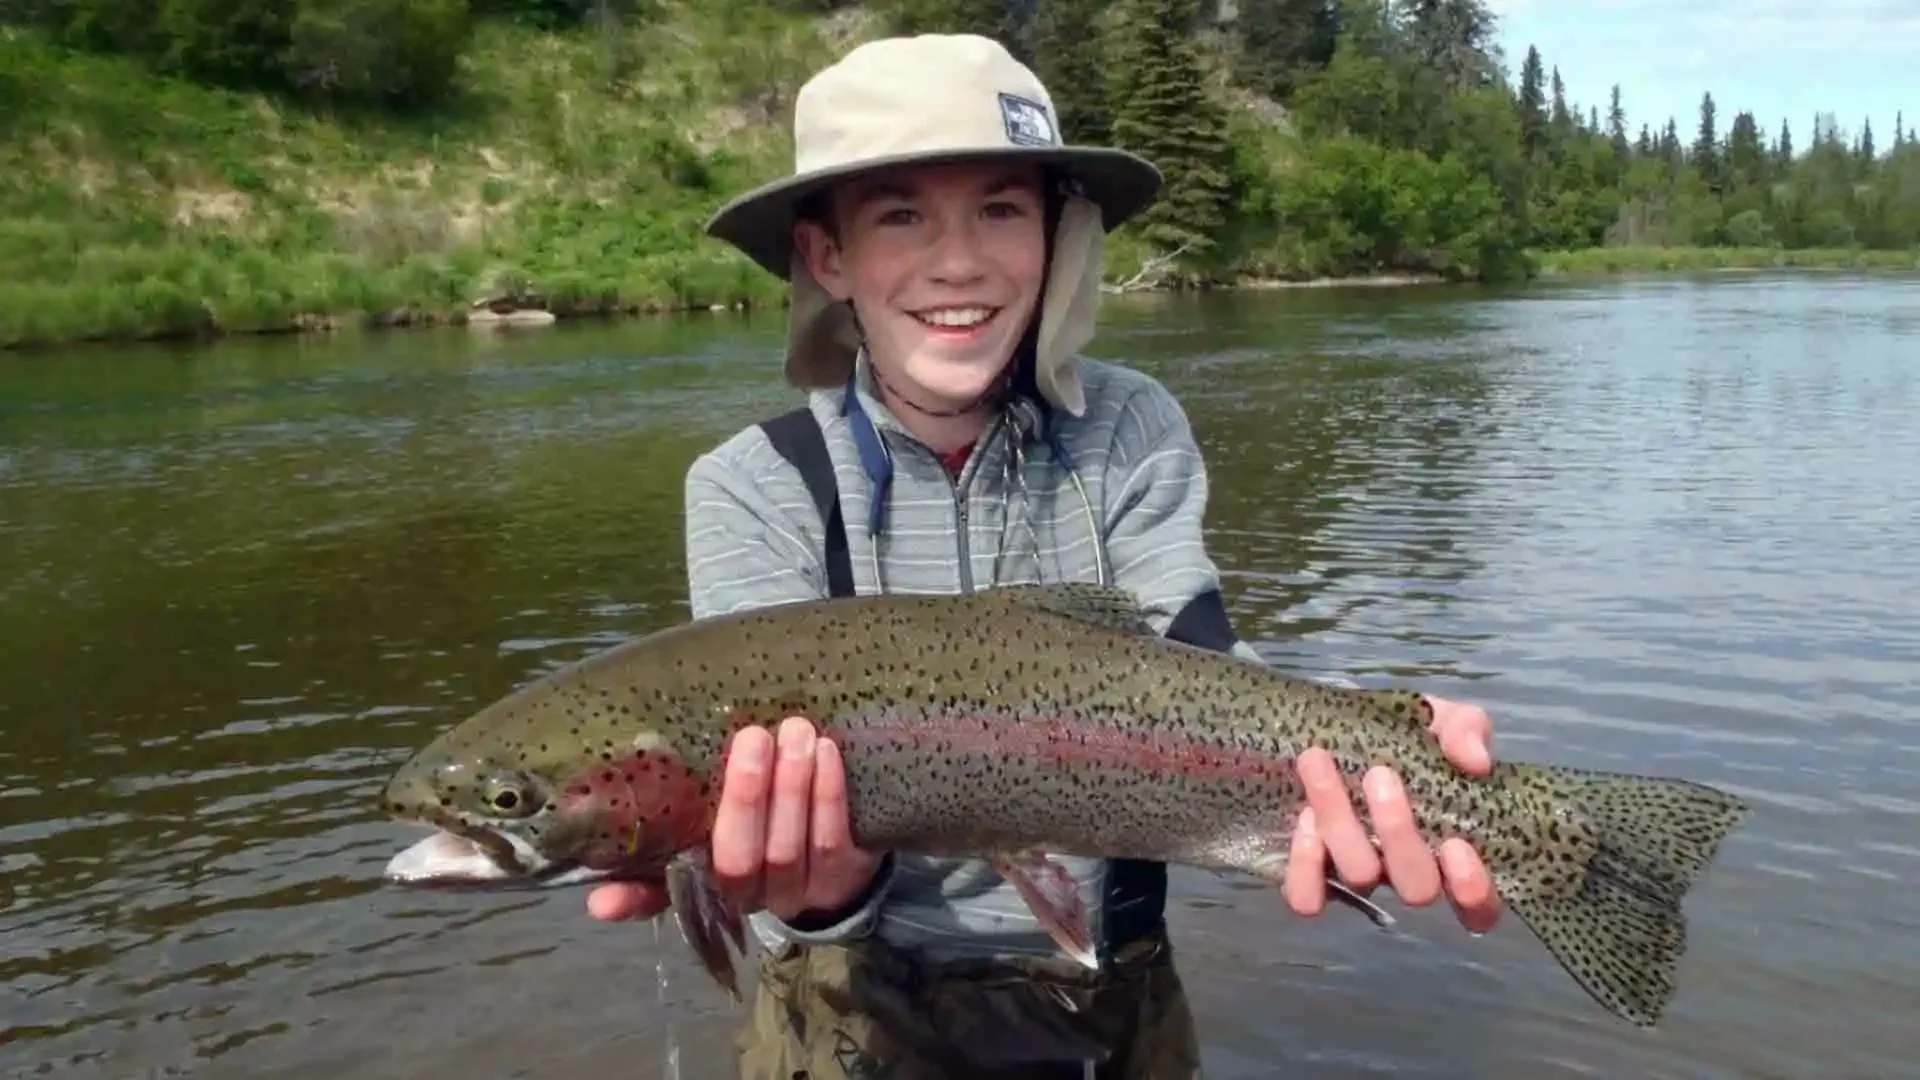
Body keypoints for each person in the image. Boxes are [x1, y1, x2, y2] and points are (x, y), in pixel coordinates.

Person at [585, 33, 1503, 1079]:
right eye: (900, 215)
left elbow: (1201, 670)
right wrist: (822, 892)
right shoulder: (754, 485)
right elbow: (755, 814)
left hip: (1116, 1004)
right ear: (826, 255)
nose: (960, 259)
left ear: (1055, 234)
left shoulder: (1129, 426)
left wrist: (1385, 741)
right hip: (850, 1008)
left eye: (1002, 208)